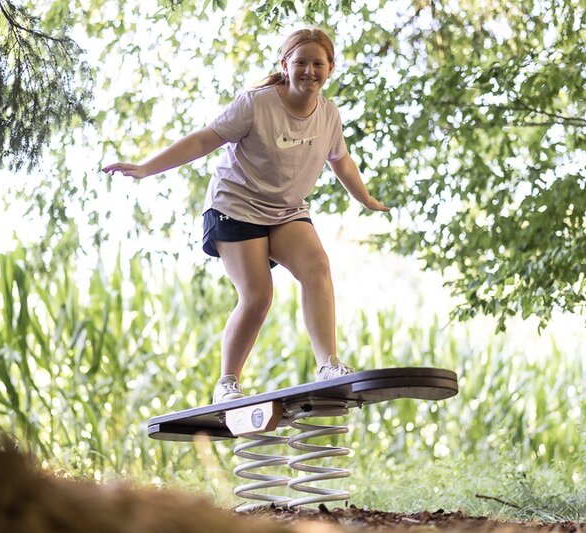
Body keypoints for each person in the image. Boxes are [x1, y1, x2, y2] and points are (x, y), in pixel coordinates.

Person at [102, 28, 389, 404]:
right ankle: (227, 382)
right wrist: (145, 168)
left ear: (330, 68)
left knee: (317, 265)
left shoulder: (329, 115)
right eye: (300, 62)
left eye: (317, 63)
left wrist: (365, 197)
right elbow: (205, 139)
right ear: (285, 65)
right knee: (257, 295)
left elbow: (342, 160)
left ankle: (328, 364)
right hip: (235, 206)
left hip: (285, 210)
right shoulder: (256, 104)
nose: (309, 71)